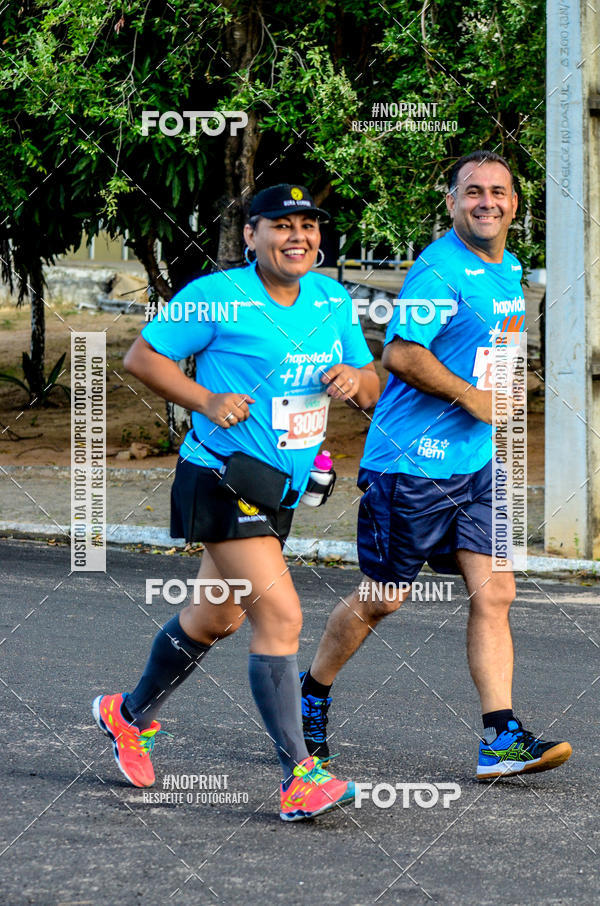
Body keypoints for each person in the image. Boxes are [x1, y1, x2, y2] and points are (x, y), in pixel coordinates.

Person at [92, 183, 380, 822]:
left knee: (212, 620)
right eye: (281, 224)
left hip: (277, 490)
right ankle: (299, 777)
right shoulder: (217, 295)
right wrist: (205, 400)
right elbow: (144, 356)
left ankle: (128, 713)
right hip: (221, 475)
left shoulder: (332, 299)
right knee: (280, 615)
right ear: (252, 234)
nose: (298, 236)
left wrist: (357, 380)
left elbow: (371, 377)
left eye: (308, 226)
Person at [301, 151, 573, 780]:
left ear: (513, 203)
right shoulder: (438, 269)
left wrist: (496, 398)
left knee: (496, 590)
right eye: (473, 192)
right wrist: (473, 398)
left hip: (478, 466)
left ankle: (499, 738)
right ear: (452, 203)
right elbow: (399, 354)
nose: (487, 202)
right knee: (384, 600)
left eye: (498, 192)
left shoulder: (508, 269)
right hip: (411, 467)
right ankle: (310, 691)